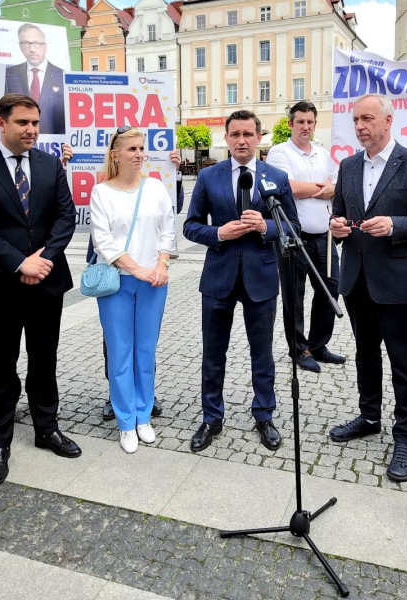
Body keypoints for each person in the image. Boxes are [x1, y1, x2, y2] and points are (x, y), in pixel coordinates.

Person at [0, 94, 80, 488]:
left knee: (45, 359)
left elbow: (65, 216)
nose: (31, 130)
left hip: (47, 281)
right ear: (1, 123)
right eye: (23, 122)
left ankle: (47, 428)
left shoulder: (49, 165)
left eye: (35, 123)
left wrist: (44, 258)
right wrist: (18, 262)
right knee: (1, 363)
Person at [327, 93, 407, 483]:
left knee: (404, 362)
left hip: (397, 281)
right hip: (357, 279)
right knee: (365, 354)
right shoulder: (347, 166)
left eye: (368, 119)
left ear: (388, 121)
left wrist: (394, 225)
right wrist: (337, 227)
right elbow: (339, 215)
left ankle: (406, 435)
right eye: (356, 120)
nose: (360, 126)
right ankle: (369, 415)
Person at [183, 110, 299, 452]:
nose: (241, 141)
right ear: (226, 137)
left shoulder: (276, 176)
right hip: (218, 276)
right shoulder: (209, 176)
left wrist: (266, 228)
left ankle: (264, 414)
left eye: (248, 134)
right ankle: (211, 417)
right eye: (235, 134)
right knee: (213, 352)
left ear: (259, 137)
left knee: (262, 352)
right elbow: (190, 225)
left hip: (261, 277)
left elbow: (292, 225)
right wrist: (218, 231)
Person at [89, 127, 176, 453]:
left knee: (145, 352)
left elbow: (168, 230)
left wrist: (161, 264)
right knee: (120, 352)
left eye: (142, 148)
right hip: (117, 283)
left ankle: (143, 416)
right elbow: (104, 240)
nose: (139, 154)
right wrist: (138, 269)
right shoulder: (101, 193)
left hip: (154, 281)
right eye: (132, 149)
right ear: (115, 154)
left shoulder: (155, 188)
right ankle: (126, 421)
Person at [267, 101, 345, 373]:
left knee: (329, 289)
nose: (305, 127)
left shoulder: (323, 155)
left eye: (310, 122)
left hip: (324, 235)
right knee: (294, 295)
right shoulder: (279, 153)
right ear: (290, 124)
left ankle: (319, 344)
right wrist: (322, 189)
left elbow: (337, 186)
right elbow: (286, 188)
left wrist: (325, 189)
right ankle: (299, 349)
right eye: (300, 121)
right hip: (293, 237)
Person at [4, 24, 66, 135]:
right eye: (26, 43)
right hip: (20, 143)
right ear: (20, 46)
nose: (32, 49)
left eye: (37, 43)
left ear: (45, 46)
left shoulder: (63, 77)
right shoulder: (9, 75)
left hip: (53, 145)